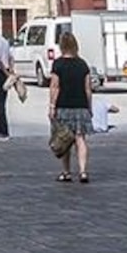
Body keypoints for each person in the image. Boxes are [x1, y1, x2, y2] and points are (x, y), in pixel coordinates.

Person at [46, 25, 95, 183]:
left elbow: (55, 86)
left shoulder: (58, 64)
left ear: (61, 46)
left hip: (63, 106)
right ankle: (83, 171)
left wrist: (52, 106)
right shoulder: (82, 64)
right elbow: (88, 89)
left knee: (65, 139)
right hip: (80, 105)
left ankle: (66, 172)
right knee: (80, 139)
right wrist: (89, 107)